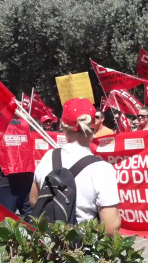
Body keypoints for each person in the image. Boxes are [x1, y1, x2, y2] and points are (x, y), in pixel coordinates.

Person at [30, 98, 121, 236]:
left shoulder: (48, 156)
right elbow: (110, 228)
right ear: (93, 126)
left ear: (62, 125)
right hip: (82, 250)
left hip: (48, 245)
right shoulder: (102, 169)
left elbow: (34, 200)